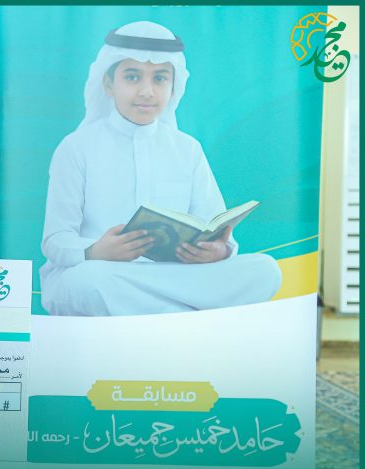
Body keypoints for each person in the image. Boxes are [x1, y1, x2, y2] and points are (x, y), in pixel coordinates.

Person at [40, 21, 282, 317]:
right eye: (132, 77)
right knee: (90, 283)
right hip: (106, 271)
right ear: (108, 83)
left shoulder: (187, 149)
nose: (147, 91)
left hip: (175, 275)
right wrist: (95, 251)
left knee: (265, 270)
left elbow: (217, 229)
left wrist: (218, 251)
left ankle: (161, 314)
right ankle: (189, 317)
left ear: (173, 86)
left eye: (160, 78)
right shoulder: (76, 147)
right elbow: (55, 241)